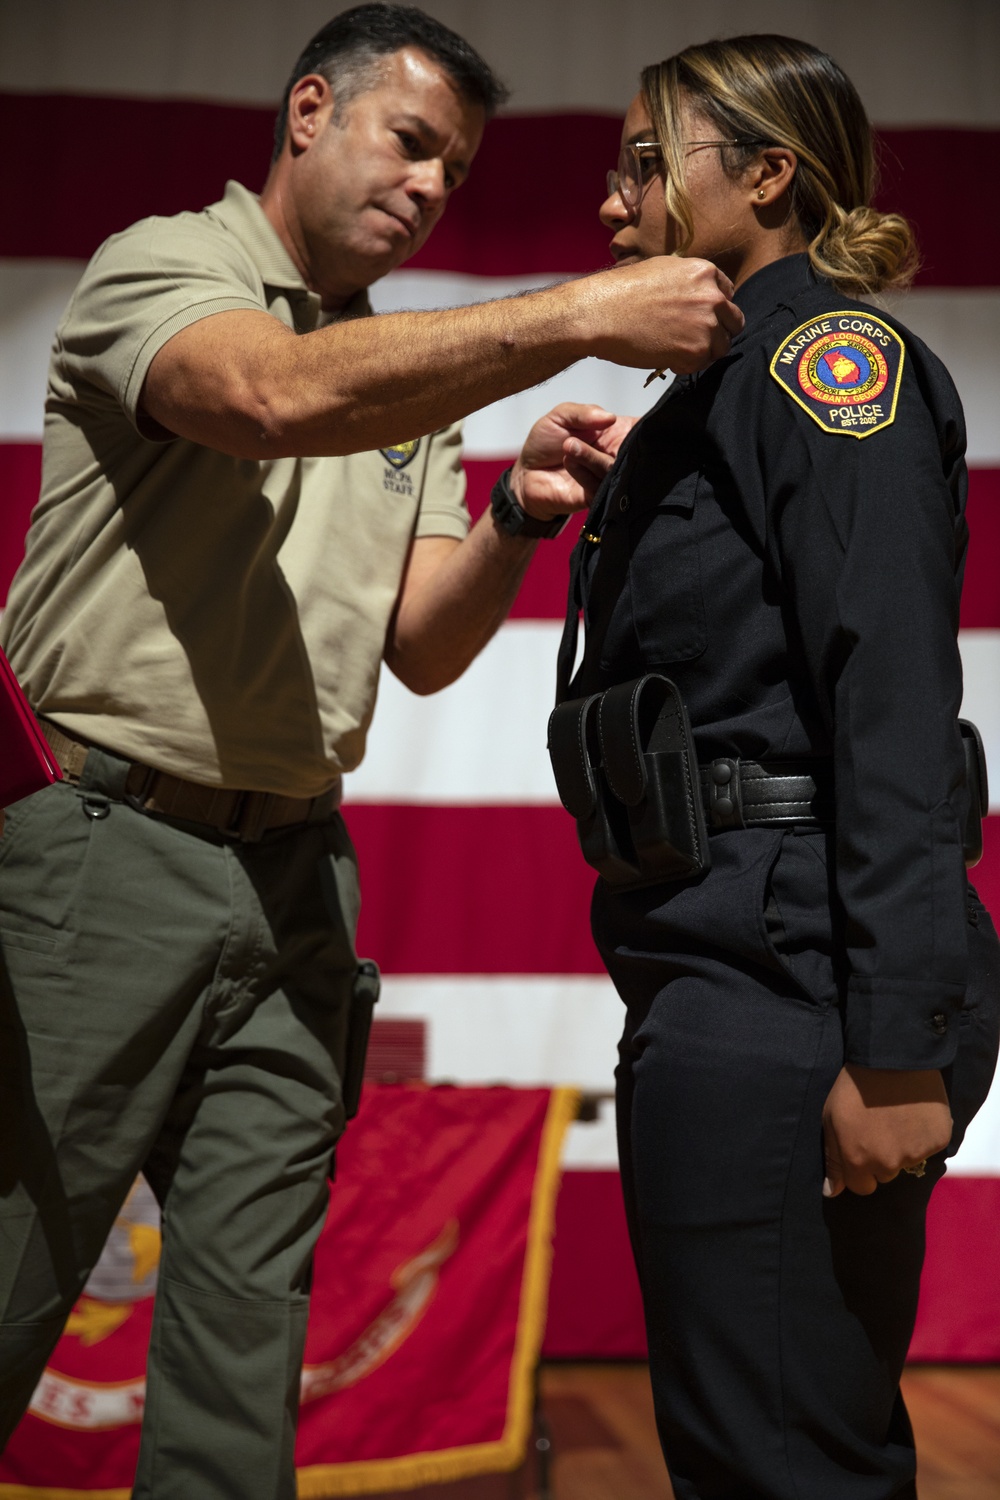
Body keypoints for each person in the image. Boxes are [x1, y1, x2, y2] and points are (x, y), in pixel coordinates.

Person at [0, 7, 745, 1496]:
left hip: (295, 878)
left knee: (242, 1347)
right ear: (306, 113)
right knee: (15, 1280)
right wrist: (583, 308)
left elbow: (419, 642)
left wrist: (520, 515)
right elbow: (265, 400)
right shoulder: (171, 266)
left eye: (454, 173)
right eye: (409, 143)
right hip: (102, 853)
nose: (427, 186)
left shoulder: (407, 379)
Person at [520, 33, 1000, 1500]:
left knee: (785, 1458)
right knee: (753, 1443)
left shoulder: (822, 365)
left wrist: (898, 1040)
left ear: (770, 176)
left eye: (650, 163)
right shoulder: (714, 395)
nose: (614, 201)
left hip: (791, 973)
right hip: (719, 949)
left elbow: (894, 702)